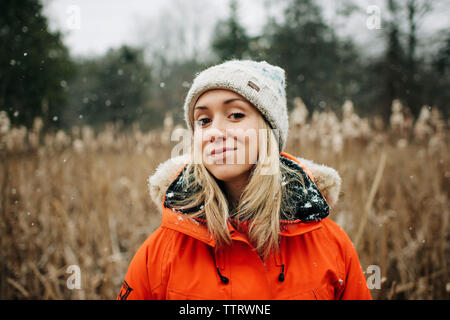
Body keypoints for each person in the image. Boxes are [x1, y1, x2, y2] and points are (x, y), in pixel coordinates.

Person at [117, 60, 372, 300]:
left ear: (268, 131)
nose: (215, 132)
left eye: (236, 115)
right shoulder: (161, 252)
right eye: (203, 120)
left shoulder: (329, 245)